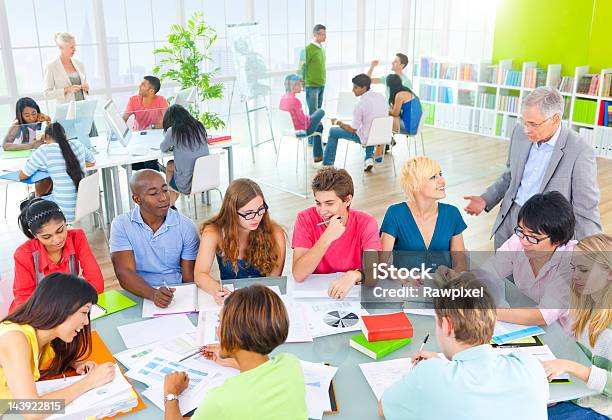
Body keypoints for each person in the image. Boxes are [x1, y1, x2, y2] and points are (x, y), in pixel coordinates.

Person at [380, 274, 549, 420]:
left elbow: (384, 408)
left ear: (446, 325)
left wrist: (429, 371)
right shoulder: (531, 367)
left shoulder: (429, 375)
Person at [464, 87, 601, 249]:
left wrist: (589, 254)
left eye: (533, 124)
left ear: (555, 120)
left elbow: (586, 209)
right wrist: (486, 199)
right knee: (499, 272)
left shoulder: (580, 151)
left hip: (542, 232)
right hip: (510, 219)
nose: (526, 129)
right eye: (524, 121)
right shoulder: (519, 133)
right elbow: (510, 175)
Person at [162, 284, 308, 420]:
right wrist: (235, 359)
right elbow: (260, 369)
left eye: (220, 323)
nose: (217, 331)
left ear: (235, 335)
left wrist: (171, 394)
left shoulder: (221, 400)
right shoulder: (291, 364)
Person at [0, 273, 115, 404]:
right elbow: (31, 409)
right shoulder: (15, 339)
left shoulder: (45, 338)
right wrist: (89, 382)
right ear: (61, 307)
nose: (86, 322)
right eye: (83, 312)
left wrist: (75, 364)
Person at [483, 192, 577, 330]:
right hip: (531, 324)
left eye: (533, 237)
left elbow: (543, 315)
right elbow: (489, 272)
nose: (524, 241)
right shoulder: (519, 240)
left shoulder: (571, 263)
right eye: (521, 231)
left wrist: (486, 312)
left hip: (568, 336)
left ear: (558, 240)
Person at [544, 234, 611, 419]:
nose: (575, 276)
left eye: (583, 270)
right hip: (577, 397)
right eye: (573, 268)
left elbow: (582, 368)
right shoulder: (587, 310)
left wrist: (570, 367)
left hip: (600, 410)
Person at [110, 170, 199, 308]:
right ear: (137, 199)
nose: (163, 198)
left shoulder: (186, 227)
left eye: (165, 190)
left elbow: (189, 279)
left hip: (176, 295)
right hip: (138, 293)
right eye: (153, 193)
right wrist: (153, 294)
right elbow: (124, 272)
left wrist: (187, 303)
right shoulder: (121, 225)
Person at [292, 168, 381, 299]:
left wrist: (354, 275)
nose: (322, 211)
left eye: (329, 203)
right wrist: (327, 237)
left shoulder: (366, 222)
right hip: (316, 293)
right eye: (318, 203)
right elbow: (298, 275)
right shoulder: (305, 218)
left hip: (352, 293)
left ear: (348, 200)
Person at [195, 179, 286, 304]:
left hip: (261, 300)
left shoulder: (275, 233)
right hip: (231, 300)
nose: (257, 218)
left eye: (260, 209)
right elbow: (200, 274)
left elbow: (273, 281)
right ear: (231, 211)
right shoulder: (213, 232)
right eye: (248, 213)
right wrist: (216, 290)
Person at [10, 199, 103, 312]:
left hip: (67, 309)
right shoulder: (24, 254)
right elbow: (23, 303)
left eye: (60, 230)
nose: (57, 240)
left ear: (65, 221)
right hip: (36, 316)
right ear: (33, 234)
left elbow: (97, 284)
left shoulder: (77, 238)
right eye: (47, 237)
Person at [381, 157, 467, 271]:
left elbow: (460, 264)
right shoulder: (395, 214)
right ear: (415, 184)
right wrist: (398, 275)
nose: (442, 180)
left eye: (440, 174)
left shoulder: (452, 214)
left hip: (443, 285)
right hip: (406, 286)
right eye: (433, 177)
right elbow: (381, 264)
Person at [19, 122, 95, 222]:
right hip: (83, 206)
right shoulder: (78, 144)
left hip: (61, 210)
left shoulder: (45, 150)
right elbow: (92, 162)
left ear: (46, 137)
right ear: (65, 135)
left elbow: (23, 176)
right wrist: (76, 162)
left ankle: (40, 236)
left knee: (26, 205)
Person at [321, 74, 388, 171]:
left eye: (355, 88)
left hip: (366, 138)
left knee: (333, 131)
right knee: (368, 127)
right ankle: (368, 158)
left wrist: (338, 122)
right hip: (381, 136)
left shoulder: (360, 105)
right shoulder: (381, 97)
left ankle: (327, 164)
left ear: (364, 88)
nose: (353, 90)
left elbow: (352, 129)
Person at [160, 104, 210, 206]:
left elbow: (163, 148)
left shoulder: (173, 131)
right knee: (171, 165)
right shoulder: (199, 126)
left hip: (186, 184)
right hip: (205, 179)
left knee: (170, 166)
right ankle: (171, 205)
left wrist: (167, 136)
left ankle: (170, 200)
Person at [279, 74, 325, 162]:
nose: (302, 86)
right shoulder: (295, 101)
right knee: (320, 112)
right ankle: (318, 156)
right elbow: (303, 122)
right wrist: (312, 119)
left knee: (318, 126)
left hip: (288, 129)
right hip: (301, 131)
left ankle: (318, 156)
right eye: (300, 84)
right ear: (294, 86)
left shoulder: (283, 98)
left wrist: (310, 118)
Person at [43, 32, 90, 105]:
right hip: (67, 110)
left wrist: (86, 89)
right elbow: (47, 94)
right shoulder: (51, 67)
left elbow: (85, 89)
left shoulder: (80, 65)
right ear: (61, 47)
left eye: (75, 46)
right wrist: (66, 90)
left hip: (83, 107)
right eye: (71, 47)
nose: (75, 49)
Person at [299, 24, 327, 117]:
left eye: (325, 34)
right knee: (313, 113)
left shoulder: (321, 49)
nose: (325, 36)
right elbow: (301, 67)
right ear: (315, 34)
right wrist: (302, 83)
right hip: (312, 85)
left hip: (321, 84)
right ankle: (312, 131)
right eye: (322, 34)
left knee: (318, 111)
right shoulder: (308, 49)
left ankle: (318, 131)